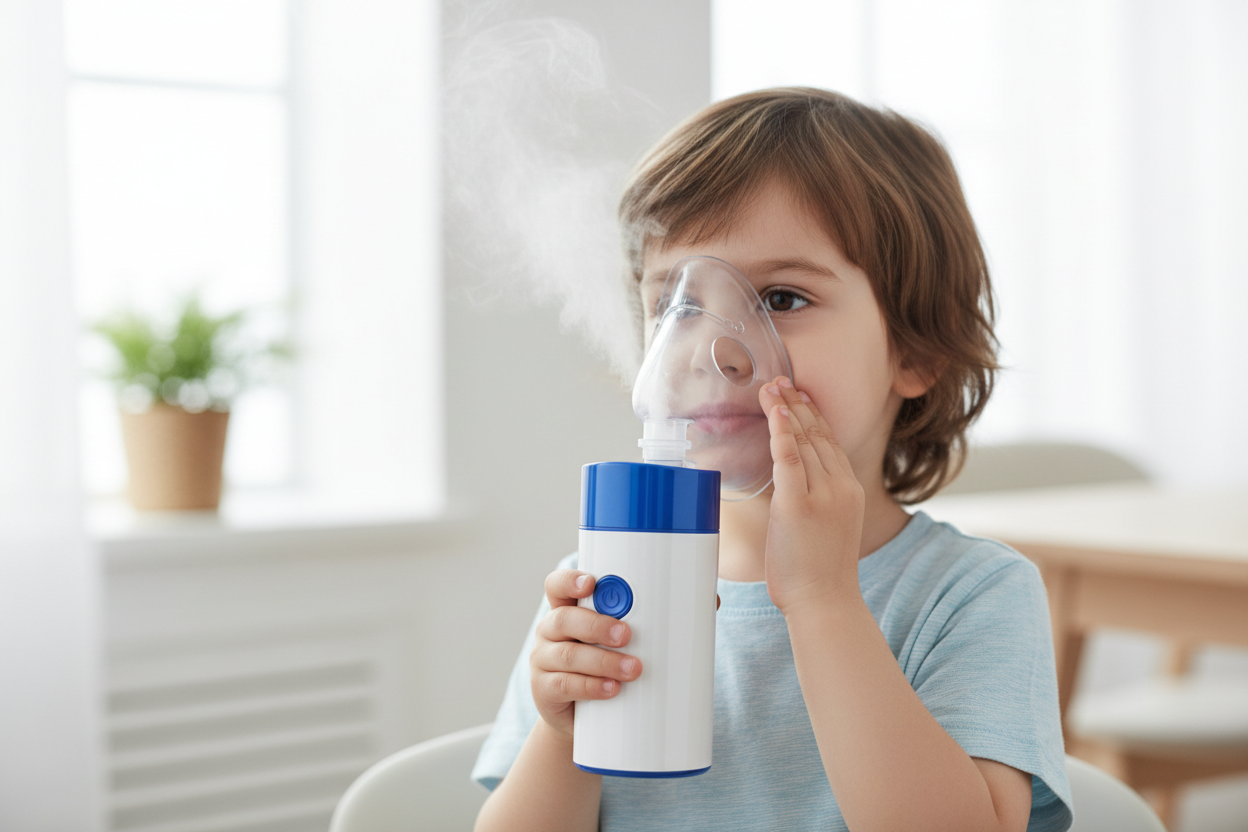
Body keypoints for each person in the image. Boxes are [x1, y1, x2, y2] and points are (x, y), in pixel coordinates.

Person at [471, 87, 1073, 832]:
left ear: (915, 350)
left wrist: (823, 599)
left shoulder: (969, 597)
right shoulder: (607, 585)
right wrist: (566, 735)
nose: (712, 348)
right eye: (677, 305)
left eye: (782, 298)